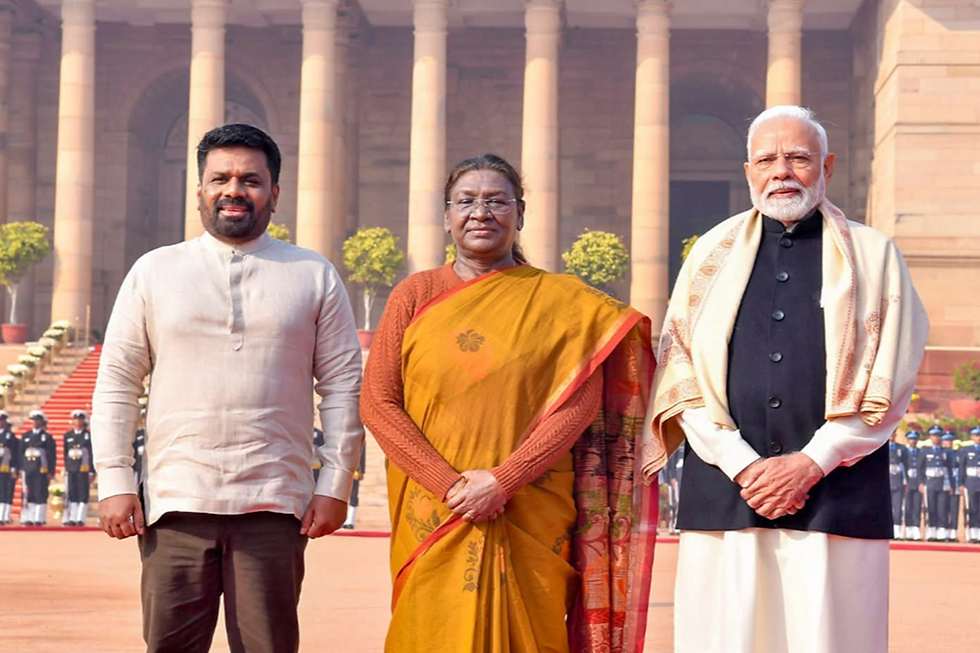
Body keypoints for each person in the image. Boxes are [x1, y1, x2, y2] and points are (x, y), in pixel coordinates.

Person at [649, 106, 929, 653]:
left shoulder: (874, 257)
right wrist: (742, 463)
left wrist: (811, 462)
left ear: (827, 166)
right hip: (728, 489)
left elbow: (890, 376)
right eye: (766, 160)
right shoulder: (709, 255)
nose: (781, 171)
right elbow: (679, 368)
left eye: (798, 157)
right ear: (747, 171)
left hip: (836, 493)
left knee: (828, 638)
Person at [361, 153, 664, 653]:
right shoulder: (414, 294)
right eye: (466, 201)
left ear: (520, 214)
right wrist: (451, 485)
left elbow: (577, 408)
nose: (481, 212)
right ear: (446, 216)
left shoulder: (564, 304)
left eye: (497, 201)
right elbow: (378, 402)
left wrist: (504, 480)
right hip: (436, 509)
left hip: (527, 506)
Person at [92, 123, 364, 653]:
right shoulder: (155, 271)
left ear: (274, 194)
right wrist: (115, 480)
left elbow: (342, 387)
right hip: (176, 501)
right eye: (220, 179)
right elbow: (118, 381)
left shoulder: (313, 274)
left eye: (250, 180)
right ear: (199, 190)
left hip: (274, 503)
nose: (234, 190)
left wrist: (335, 483)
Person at [21, 410, 57, 526]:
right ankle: (30, 517)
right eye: (33, 420)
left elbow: (51, 456)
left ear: (42, 422)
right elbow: (21, 453)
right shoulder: (26, 436)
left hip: (41, 469)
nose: (35, 422)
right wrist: (21, 467)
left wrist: (51, 471)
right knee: (30, 492)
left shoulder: (47, 437)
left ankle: (39, 517)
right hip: (29, 468)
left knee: (40, 492)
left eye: (37, 420)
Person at [919, 425, 954, 541]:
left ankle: (942, 533)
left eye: (938, 435)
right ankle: (932, 532)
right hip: (930, 483)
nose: (936, 438)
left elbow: (950, 470)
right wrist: (921, 482)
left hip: (943, 484)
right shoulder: (925, 451)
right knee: (931, 509)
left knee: (942, 509)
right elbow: (920, 468)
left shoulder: (946, 452)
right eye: (934, 435)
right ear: (930, 437)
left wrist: (951, 485)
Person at [63, 409, 94, 526]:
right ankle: (73, 517)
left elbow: (91, 453)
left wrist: (91, 471)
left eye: (80, 419)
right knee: (72, 492)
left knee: (83, 492)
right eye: (76, 419)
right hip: (72, 467)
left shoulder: (88, 435)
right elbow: (66, 453)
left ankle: (81, 518)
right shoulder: (68, 435)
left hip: (84, 468)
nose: (78, 421)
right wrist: (66, 467)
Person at [960, 427, 980, 543]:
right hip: (971, 483)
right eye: (976, 435)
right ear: (972, 437)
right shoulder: (966, 451)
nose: (979, 438)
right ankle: (973, 533)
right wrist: (961, 484)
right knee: (972, 508)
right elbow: (962, 469)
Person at [0, 410, 20, 525]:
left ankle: (4, 516)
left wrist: (14, 468)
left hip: (5, 467)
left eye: (1, 420)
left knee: (5, 491)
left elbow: (15, 453)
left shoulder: (10, 436)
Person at [904, 430, 924, 540]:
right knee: (908, 507)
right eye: (911, 439)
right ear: (907, 440)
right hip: (907, 483)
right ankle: (909, 530)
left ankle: (916, 529)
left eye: (915, 439)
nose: (913, 441)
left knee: (917, 507)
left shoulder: (921, 452)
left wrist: (922, 483)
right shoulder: (904, 452)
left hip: (918, 483)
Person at [942, 428, 961, 542]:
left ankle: (953, 533)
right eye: (946, 440)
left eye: (950, 440)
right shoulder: (940, 453)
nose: (948, 443)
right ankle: (944, 532)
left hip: (956, 485)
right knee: (943, 510)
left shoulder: (957, 454)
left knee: (954, 510)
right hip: (944, 485)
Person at [888, 430, 908, 539]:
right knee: (885, 509)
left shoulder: (902, 448)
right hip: (886, 483)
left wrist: (906, 482)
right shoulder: (882, 448)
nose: (892, 436)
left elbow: (906, 465)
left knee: (898, 508)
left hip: (898, 482)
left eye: (893, 434)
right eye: (890, 433)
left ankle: (897, 532)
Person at [342, 445, 366, 529]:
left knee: (353, 495)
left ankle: (350, 520)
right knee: (340, 495)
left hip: (354, 469)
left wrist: (361, 470)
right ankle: (342, 520)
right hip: (341, 469)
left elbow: (362, 454)